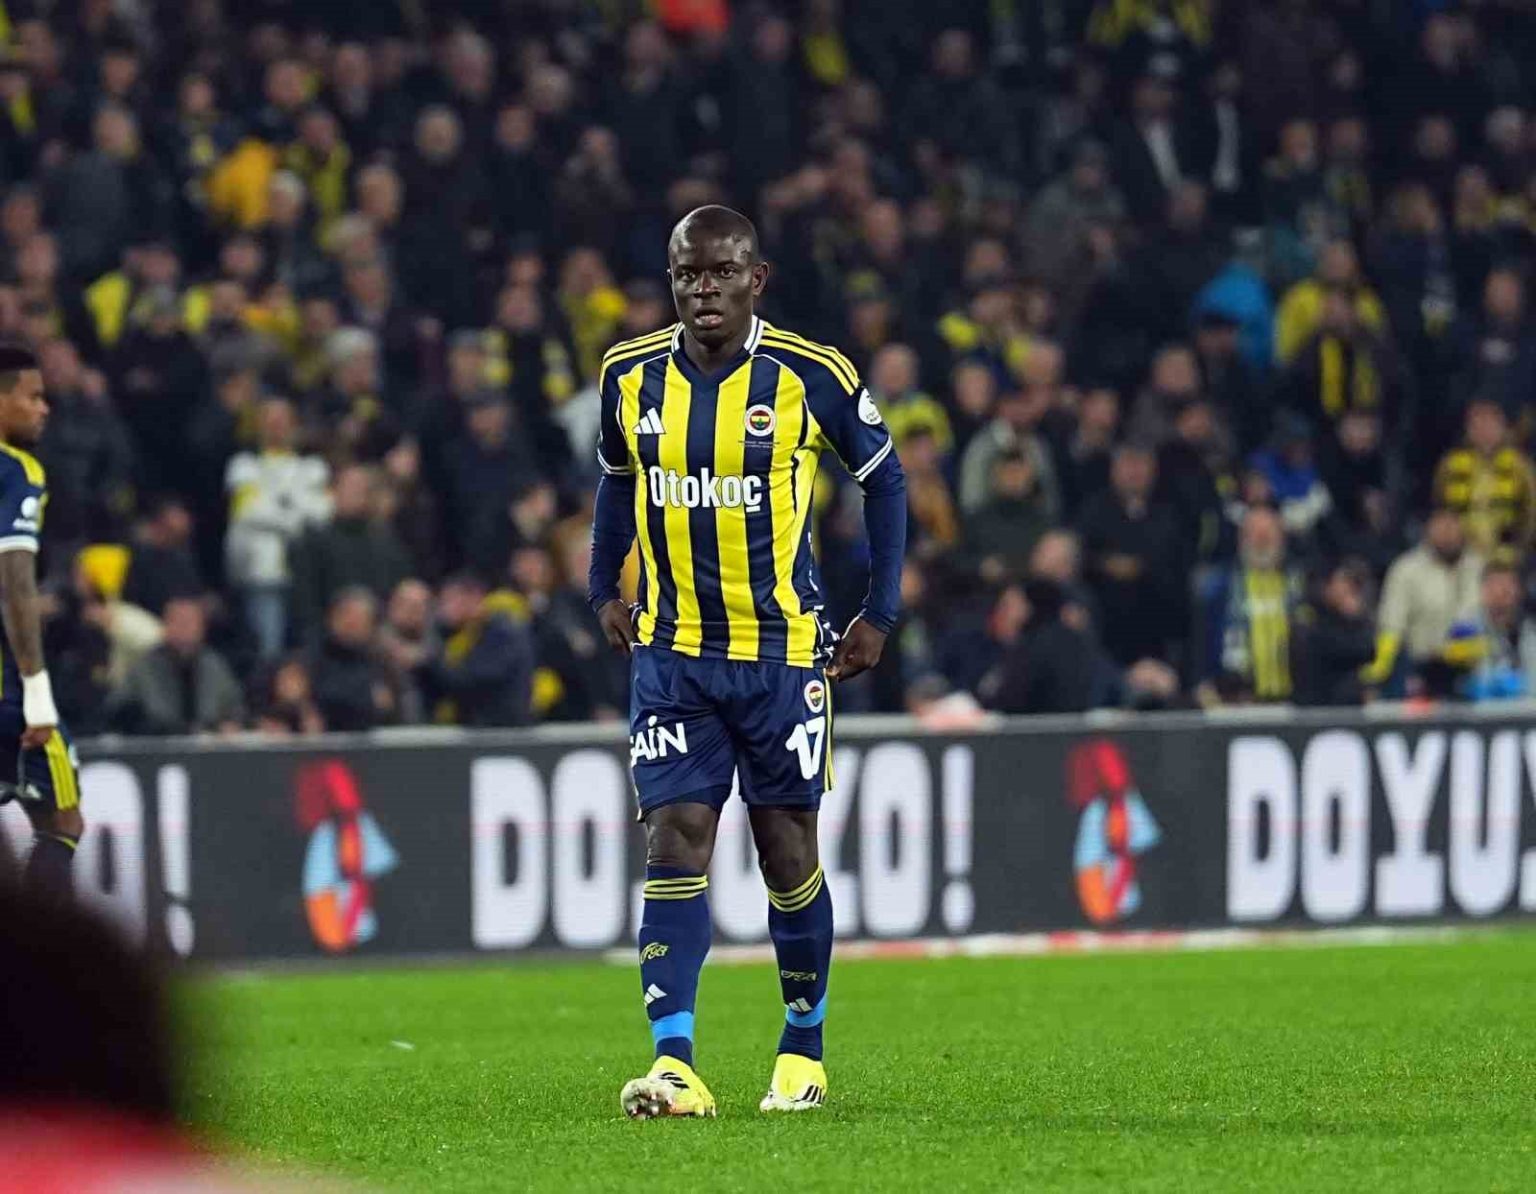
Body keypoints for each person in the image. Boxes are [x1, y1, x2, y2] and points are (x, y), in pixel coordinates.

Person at [588, 206, 905, 1117]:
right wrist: (603, 586)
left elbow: (884, 479)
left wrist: (879, 613)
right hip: (674, 654)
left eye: (722, 273)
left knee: (786, 855)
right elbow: (616, 482)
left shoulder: (812, 374)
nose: (705, 290)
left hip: (781, 658)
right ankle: (674, 1064)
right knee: (674, 838)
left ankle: (803, 1050)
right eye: (688, 274)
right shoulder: (627, 375)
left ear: (755, 280)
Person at [0, 345, 83, 904]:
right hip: (6, 689)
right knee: (61, 820)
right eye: (32, 397)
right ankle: (32, 953)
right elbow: (13, 580)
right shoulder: (16, 470)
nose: (43, 408)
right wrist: (36, 689)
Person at [1371, 508, 1485, 696]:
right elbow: (1392, 623)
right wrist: (1384, 661)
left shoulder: (1477, 567)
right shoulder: (1406, 569)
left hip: (1475, 671)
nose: (1447, 533)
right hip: (1422, 669)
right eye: (1441, 526)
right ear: (1428, 528)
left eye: (1452, 525)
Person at [110, 595, 245, 735]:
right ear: (166, 625)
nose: (185, 628)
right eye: (179, 621)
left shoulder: (214, 665)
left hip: (208, 742)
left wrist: (230, 724)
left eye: (191, 622)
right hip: (157, 743)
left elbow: (234, 707)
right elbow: (121, 710)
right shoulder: (143, 668)